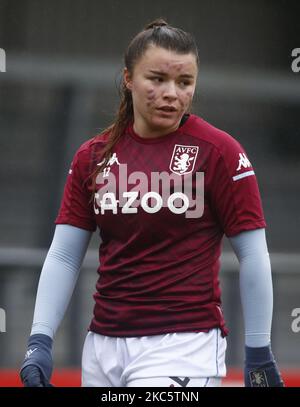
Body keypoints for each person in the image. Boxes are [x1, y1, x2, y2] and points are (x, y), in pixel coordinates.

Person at [20, 18, 284, 388]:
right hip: (101, 347)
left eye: (184, 82)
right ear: (128, 79)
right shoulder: (92, 156)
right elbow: (65, 254)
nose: (171, 93)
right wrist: (40, 340)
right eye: (157, 79)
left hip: (183, 345)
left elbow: (254, 255)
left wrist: (259, 352)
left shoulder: (220, 152)